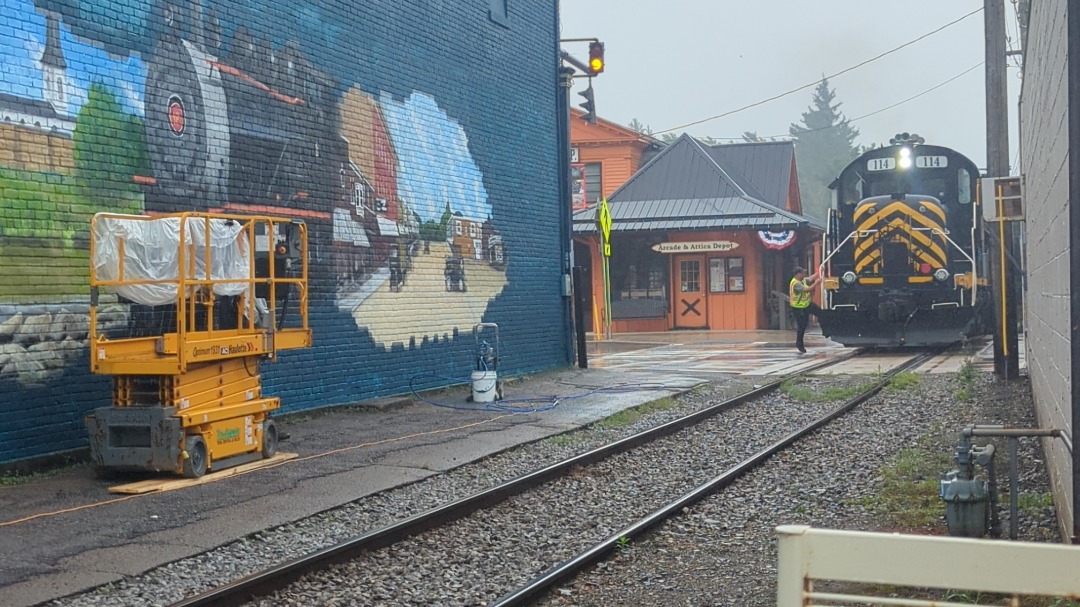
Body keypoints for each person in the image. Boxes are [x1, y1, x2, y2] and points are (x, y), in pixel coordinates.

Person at [789, 267, 822, 354]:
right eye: (803, 273)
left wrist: (820, 271)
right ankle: (799, 344)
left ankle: (826, 328)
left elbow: (811, 278)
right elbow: (807, 289)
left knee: (820, 312)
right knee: (802, 326)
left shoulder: (802, 280)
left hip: (806, 304)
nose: (805, 275)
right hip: (798, 308)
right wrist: (816, 283)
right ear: (798, 274)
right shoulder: (796, 284)